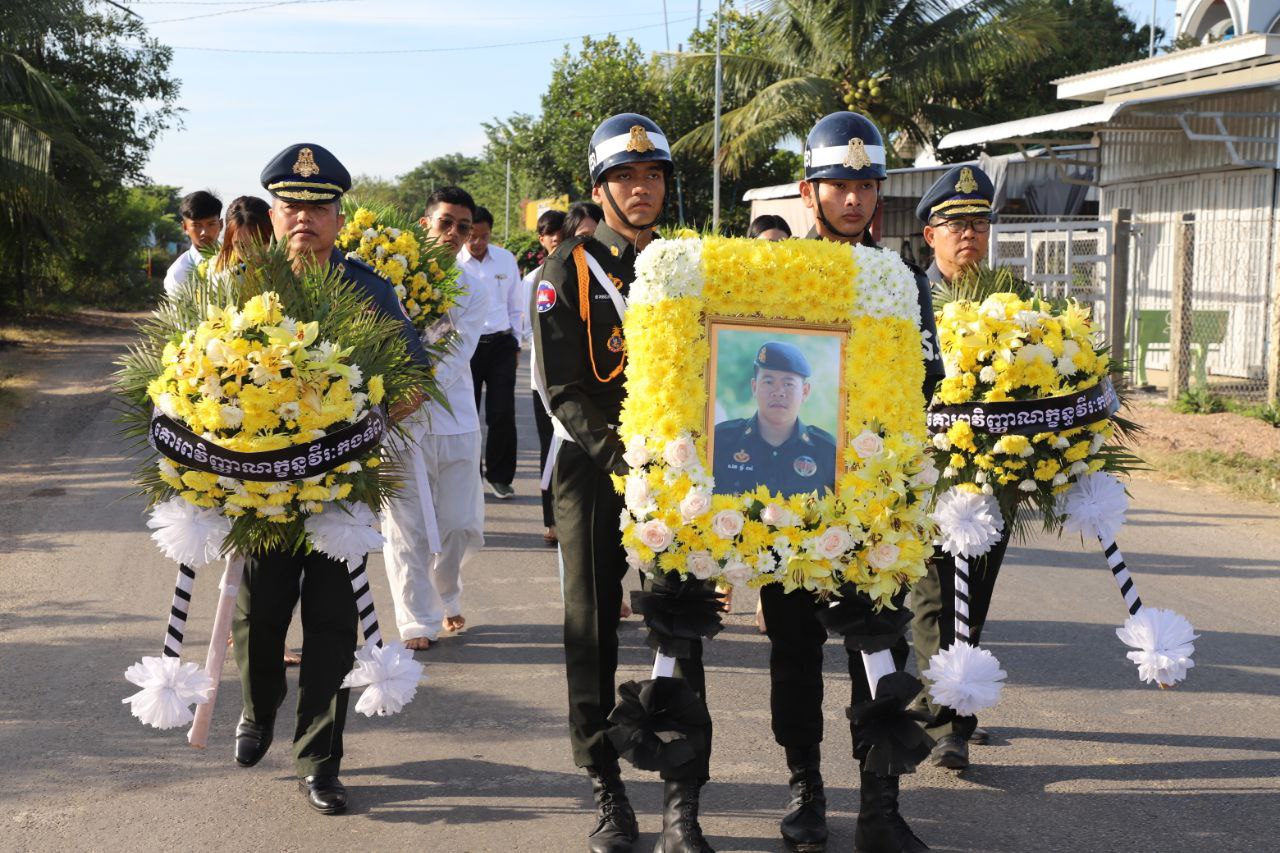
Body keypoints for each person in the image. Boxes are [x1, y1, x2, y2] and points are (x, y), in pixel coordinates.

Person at [758, 112, 944, 853]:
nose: (855, 198)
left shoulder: (901, 277)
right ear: (809, 191)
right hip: (791, 488)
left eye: (867, 186)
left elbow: (926, 376)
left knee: (878, 648)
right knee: (795, 648)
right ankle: (805, 789)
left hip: (874, 491)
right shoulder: (777, 272)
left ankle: (880, 805)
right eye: (839, 185)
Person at [535, 113, 715, 853]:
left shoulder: (690, 263)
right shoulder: (568, 270)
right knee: (591, 626)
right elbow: (563, 389)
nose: (641, 189)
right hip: (595, 467)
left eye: (653, 176)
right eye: (625, 177)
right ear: (600, 188)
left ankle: (683, 801)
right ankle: (606, 786)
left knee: (682, 623)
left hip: (681, 473)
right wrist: (625, 464)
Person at [233, 143, 431, 816]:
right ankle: (259, 704)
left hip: (340, 489)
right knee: (259, 612)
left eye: (318, 207)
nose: (304, 218)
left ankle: (320, 760)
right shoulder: (245, 288)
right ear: (273, 213)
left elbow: (414, 381)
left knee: (331, 622)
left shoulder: (370, 290)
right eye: (291, 205)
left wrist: (359, 426)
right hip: (262, 487)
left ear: (340, 218)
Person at [910, 163, 1006, 771]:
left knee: (975, 596)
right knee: (932, 597)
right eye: (954, 224)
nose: (968, 234)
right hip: (926, 474)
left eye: (978, 223)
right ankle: (949, 722)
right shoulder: (908, 297)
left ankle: (945, 700)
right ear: (930, 235)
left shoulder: (1013, 305)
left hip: (992, 477)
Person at [382, 187, 487, 648]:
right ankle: (416, 621)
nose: (453, 233)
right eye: (446, 223)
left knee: (459, 525)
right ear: (425, 224)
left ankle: (447, 593)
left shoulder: (474, 288)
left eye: (463, 227)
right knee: (406, 527)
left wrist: (416, 385)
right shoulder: (387, 277)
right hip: (401, 424)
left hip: (455, 419)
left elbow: (459, 351)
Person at [712, 341, 837, 496]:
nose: (778, 392)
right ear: (754, 387)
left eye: (788, 384)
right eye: (769, 382)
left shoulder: (828, 451)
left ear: (805, 392)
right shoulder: (720, 441)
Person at [458, 205, 524, 500]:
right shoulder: (454, 262)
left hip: (501, 345)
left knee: (502, 413)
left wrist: (517, 344)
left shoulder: (505, 259)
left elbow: (515, 305)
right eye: (472, 236)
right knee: (466, 413)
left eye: (483, 237)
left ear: (490, 234)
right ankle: (469, 476)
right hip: (467, 346)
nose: (477, 242)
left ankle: (500, 477)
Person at [520, 208, 566, 545]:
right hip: (543, 379)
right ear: (541, 239)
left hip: (576, 377)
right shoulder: (532, 280)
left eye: (561, 231)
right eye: (549, 233)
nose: (556, 238)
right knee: (549, 445)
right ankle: (550, 520)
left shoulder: (581, 274)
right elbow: (527, 327)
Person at [163, 190, 222, 297]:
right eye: (197, 226)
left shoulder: (237, 263)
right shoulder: (178, 273)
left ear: (221, 224)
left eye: (211, 224)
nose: (204, 232)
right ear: (185, 227)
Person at [210, 195, 272, 276]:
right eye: (242, 246)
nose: (249, 254)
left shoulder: (287, 274)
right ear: (230, 243)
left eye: (259, 243)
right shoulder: (225, 276)